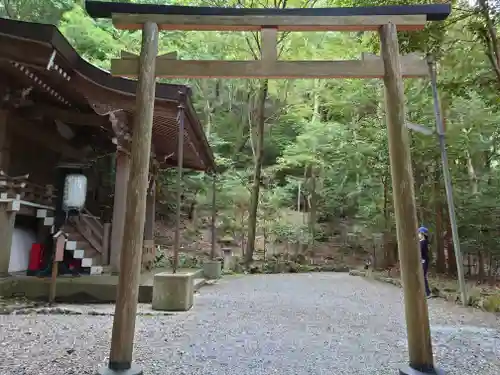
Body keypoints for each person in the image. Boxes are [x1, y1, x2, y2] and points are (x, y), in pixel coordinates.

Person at [418, 226, 431, 297]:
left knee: (423, 276)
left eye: (419, 233)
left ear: (422, 234)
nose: (418, 235)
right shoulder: (421, 242)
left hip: (424, 261)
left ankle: (427, 292)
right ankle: (424, 291)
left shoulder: (424, 242)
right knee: (421, 276)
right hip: (422, 260)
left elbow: (421, 252)